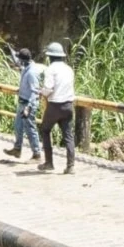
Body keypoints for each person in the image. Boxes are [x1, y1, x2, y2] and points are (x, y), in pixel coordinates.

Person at [37, 41, 75, 174]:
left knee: (45, 130)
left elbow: (49, 88)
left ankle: (49, 162)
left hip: (55, 106)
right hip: (69, 105)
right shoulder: (69, 69)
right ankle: (70, 166)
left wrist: (41, 92)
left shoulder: (50, 69)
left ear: (50, 57)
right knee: (68, 135)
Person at [3, 47, 43, 161]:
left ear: (23, 60)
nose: (18, 61)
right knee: (18, 127)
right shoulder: (26, 68)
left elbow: (35, 91)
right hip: (22, 102)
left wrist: (28, 107)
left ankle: (37, 154)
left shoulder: (31, 72)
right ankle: (17, 149)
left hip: (27, 104)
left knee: (30, 129)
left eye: (19, 59)